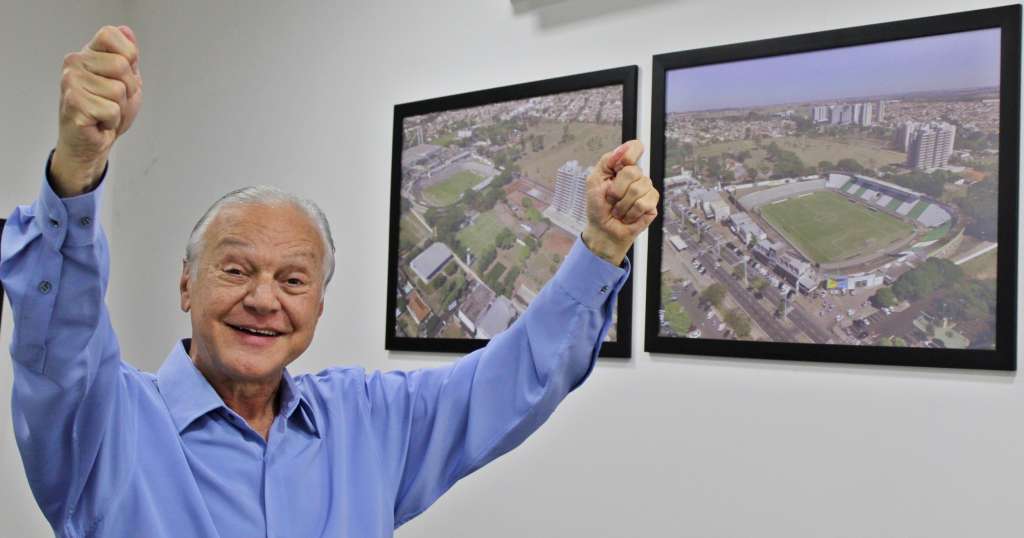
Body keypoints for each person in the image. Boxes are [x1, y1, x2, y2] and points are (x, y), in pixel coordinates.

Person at [0, 25, 659, 537]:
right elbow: (61, 339)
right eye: (236, 269)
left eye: (293, 280)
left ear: (318, 306)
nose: (263, 299)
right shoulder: (103, 426)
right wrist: (77, 169)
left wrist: (601, 247)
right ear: (186, 286)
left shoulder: (366, 422)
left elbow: (513, 381)